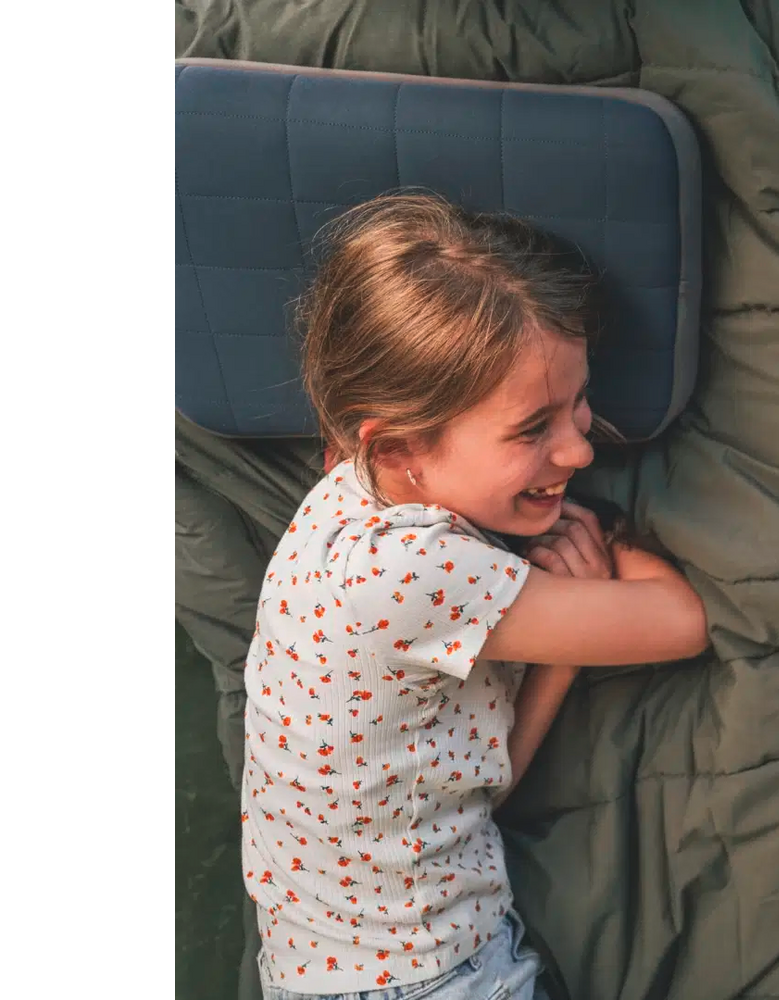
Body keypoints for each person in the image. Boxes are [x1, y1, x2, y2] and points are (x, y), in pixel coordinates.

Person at [240, 193, 708, 999]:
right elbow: (681, 623)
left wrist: (556, 659)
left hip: (325, 969)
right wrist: (616, 541)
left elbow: (465, 789)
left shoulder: (341, 496)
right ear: (400, 447)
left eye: (580, 401)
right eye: (533, 429)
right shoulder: (415, 575)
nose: (580, 445)